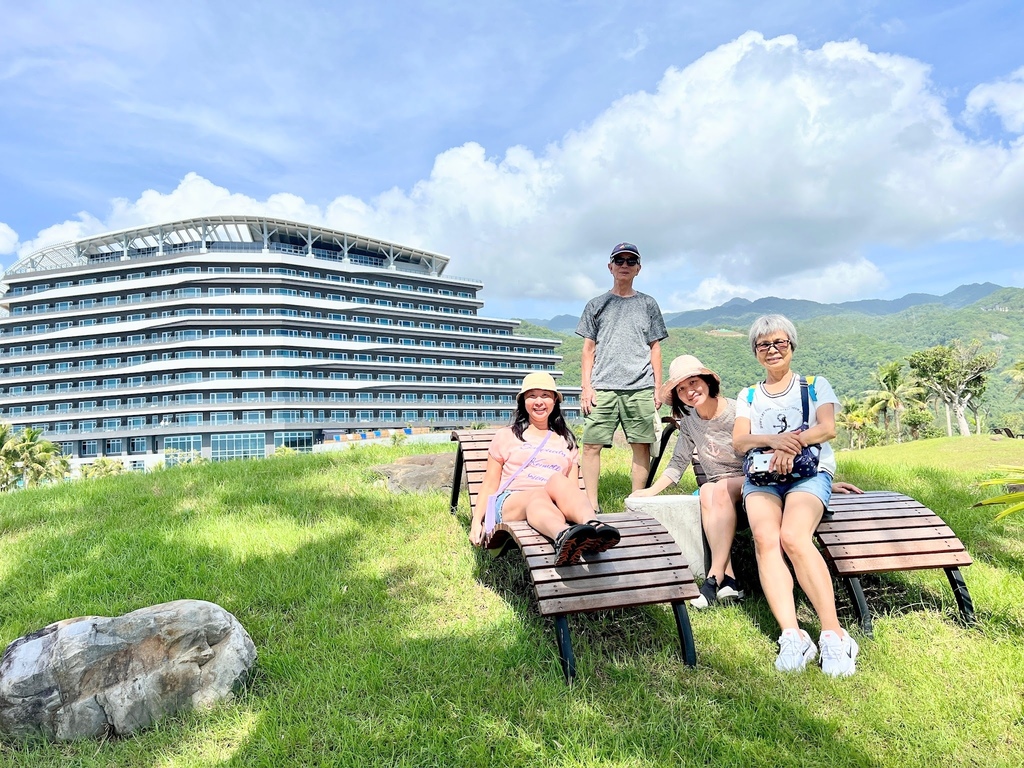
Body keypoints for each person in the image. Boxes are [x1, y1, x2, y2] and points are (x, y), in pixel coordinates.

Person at [733, 314, 859, 677]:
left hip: (809, 473)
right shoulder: (749, 395)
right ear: (755, 352)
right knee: (765, 538)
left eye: (779, 342)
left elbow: (827, 428)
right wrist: (774, 442)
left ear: (791, 345)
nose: (772, 350)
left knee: (793, 536)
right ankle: (792, 634)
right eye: (763, 345)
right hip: (763, 477)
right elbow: (740, 441)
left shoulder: (815, 385)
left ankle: (834, 634)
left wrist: (792, 444)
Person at [469, 372, 621, 566]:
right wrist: (476, 521)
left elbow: (571, 489)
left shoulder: (566, 440)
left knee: (558, 480)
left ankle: (594, 527)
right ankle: (562, 537)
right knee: (537, 495)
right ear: (523, 401)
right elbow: (490, 483)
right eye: (532, 396)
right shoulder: (507, 436)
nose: (539, 402)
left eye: (545, 395)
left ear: (554, 401)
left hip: (550, 504)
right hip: (511, 501)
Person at [630, 355, 746, 609]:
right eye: (681, 389)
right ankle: (729, 580)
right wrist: (650, 491)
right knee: (707, 490)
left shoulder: (737, 411)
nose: (689, 392)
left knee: (716, 488)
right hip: (717, 487)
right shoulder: (691, 421)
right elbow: (678, 462)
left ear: (707, 382)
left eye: (693, 382)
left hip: (749, 480)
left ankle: (713, 576)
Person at [576, 242, 668, 511]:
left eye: (630, 261)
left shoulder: (648, 304)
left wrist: (657, 387)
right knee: (591, 445)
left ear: (638, 268)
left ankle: (636, 503)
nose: (624, 265)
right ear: (610, 267)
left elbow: (655, 348)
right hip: (602, 386)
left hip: (640, 386)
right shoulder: (596, 304)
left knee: (641, 445)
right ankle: (591, 505)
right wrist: (586, 387)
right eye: (619, 261)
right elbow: (588, 349)